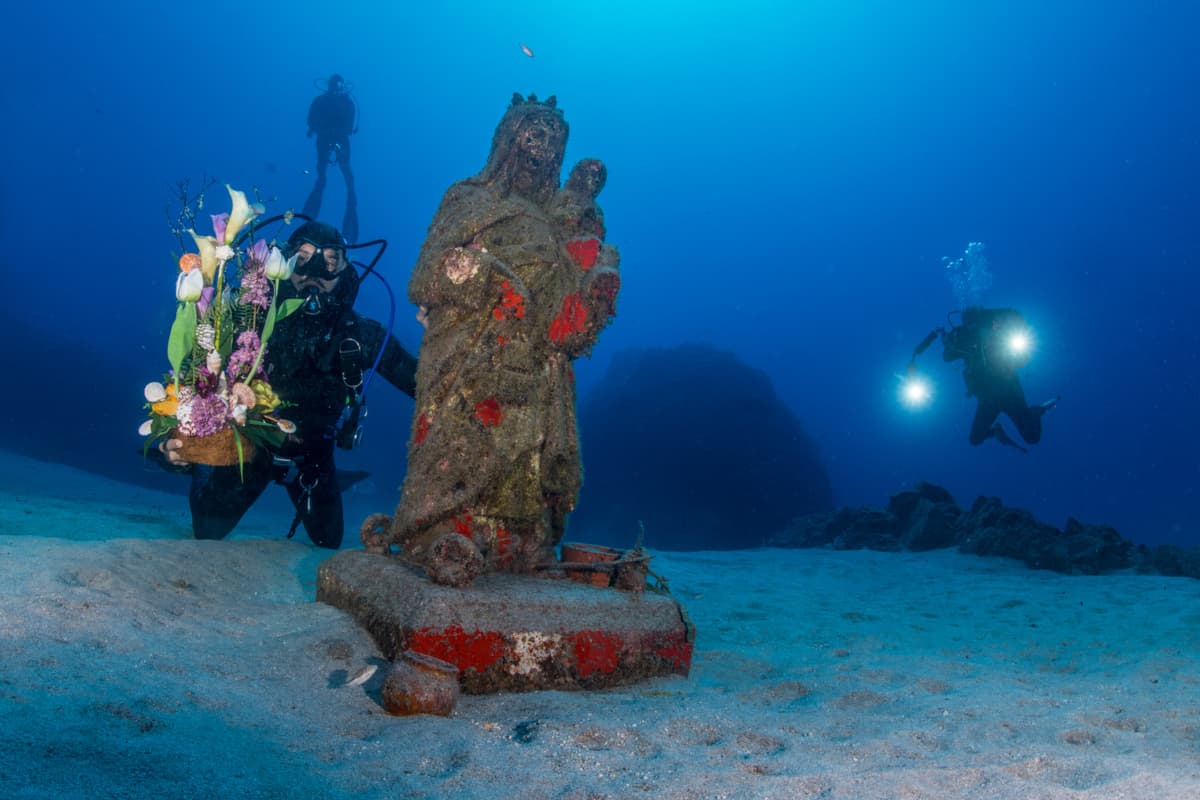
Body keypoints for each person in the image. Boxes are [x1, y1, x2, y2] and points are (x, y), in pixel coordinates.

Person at [382, 94, 620, 585]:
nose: (543, 149)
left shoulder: (552, 222)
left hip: (535, 363)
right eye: (534, 135)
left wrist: (587, 293)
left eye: (554, 142)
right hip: (470, 351)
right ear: (508, 139)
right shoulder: (468, 199)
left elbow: (557, 310)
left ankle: (522, 544)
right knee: (466, 443)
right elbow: (425, 277)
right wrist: (487, 275)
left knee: (532, 456)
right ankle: (440, 531)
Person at [160, 221, 417, 548]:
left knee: (328, 539)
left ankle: (334, 481)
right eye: (302, 257)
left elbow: (420, 381)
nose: (313, 272)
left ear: (343, 271)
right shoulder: (244, 319)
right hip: (249, 448)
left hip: (312, 455)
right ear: (282, 263)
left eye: (329, 261)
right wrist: (182, 445)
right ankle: (203, 471)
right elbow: (198, 383)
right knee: (207, 529)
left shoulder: (361, 335)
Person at [913, 306, 1058, 452]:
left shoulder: (996, 333)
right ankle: (996, 431)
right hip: (988, 400)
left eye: (975, 320)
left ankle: (1034, 412)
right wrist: (948, 343)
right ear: (965, 322)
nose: (973, 325)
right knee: (975, 439)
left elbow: (1021, 359)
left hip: (1010, 392)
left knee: (1032, 437)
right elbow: (947, 357)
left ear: (982, 319)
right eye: (968, 321)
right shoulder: (963, 338)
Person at [302, 74, 359, 243]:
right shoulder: (326, 101)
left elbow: (349, 126)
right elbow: (311, 121)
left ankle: (350, 200)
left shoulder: (344, 102)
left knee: (344, 170)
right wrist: (324, 130)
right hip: (327, 137)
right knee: (329, 172)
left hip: (335, 137)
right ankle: (342, 196)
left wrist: (327, 131)